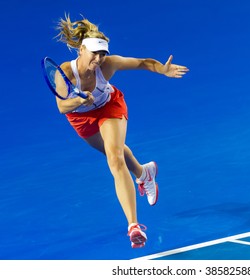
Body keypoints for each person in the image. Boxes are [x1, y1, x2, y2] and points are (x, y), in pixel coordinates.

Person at [54, 14, 189, 248]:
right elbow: (61, 106)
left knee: (115, 158)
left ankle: (134, 226)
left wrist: (161, 70)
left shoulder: (109, 64)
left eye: (102, 53)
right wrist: (78, 102)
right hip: (80, 117)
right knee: (110, 152)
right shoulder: (65, 71)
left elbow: (143, 62)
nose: (98, 58)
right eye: (94, 53)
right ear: (81, 51)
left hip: (109, 107)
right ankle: (143, 173)